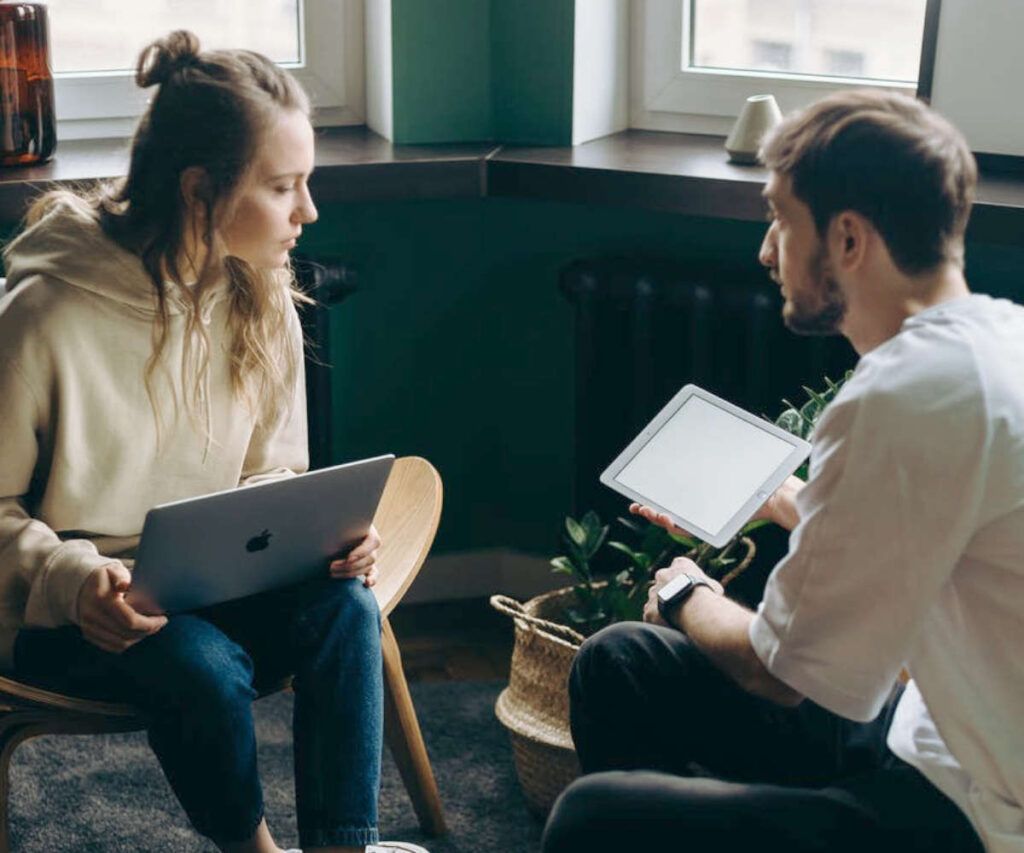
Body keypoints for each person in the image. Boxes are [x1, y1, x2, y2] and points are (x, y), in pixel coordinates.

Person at [542, 89, 1024, 853]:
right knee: (620, 661)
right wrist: (788, 499)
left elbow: (778, 671)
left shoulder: (904, 395)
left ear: (849, 239)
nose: (766, 251)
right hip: (927, 731)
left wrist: (682, 593)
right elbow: (928, 534)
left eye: (779, 220)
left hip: (973, 812)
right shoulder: (996, 342)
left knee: (590, 817)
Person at [0, 31, 427, 853]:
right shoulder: (43, 315)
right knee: (198, 662)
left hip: (216, 586)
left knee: (345, 606)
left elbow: (273, 476)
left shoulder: (261, 295)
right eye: (283, 187)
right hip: (74, 617)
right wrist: (73, 578)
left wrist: (328, 543)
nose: (308, 212)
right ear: (200, 191)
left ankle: (342, 844)